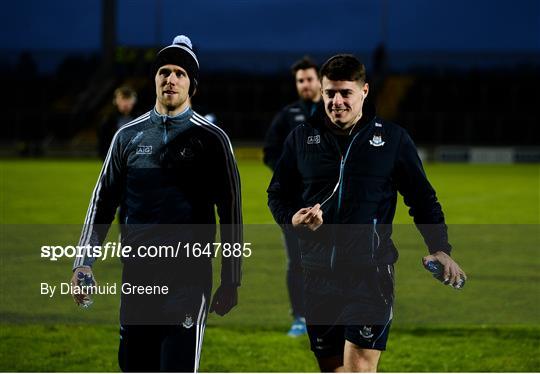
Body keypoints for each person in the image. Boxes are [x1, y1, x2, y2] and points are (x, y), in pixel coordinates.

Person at [267, 54, 466, 372]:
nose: (336, 101)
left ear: (364, 91)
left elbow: (423, 198)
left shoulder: (392, 140)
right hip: (317, 275)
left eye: (345, 92)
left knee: (359, 367)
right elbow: (277, 194)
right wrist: (292, 218)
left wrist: (439, 248)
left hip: (369, 275)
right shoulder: (301, 139)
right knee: (332, 367)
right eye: (330, 92)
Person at [71, 35, 243, 372]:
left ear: (192, 84)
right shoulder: (126, 137)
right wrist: (83, 262)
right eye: (164, 71)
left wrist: (231, 279)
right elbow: (102, 203)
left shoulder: (213, 140)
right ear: (154, 79)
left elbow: (232, 213)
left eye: (180, 73)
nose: (171, 79)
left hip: (189, 279)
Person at [263, 57, 321, 337]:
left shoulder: (336, 110)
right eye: (300, 81)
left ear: (319, 80)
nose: (305, 85)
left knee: (332, 258)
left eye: (309, 79)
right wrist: (288, 173)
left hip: (328, 203)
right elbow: (270, 152)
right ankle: (299, 317)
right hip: (294, 204)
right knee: (296, 261)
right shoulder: (287, 116)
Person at [98, 86, 138, 160]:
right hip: (115, 160)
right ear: (116, 101)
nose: (125, 103)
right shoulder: (108, 121)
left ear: (134, 101)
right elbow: (103, 145)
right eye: (123, 99)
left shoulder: (141, 118)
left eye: (128, 99)